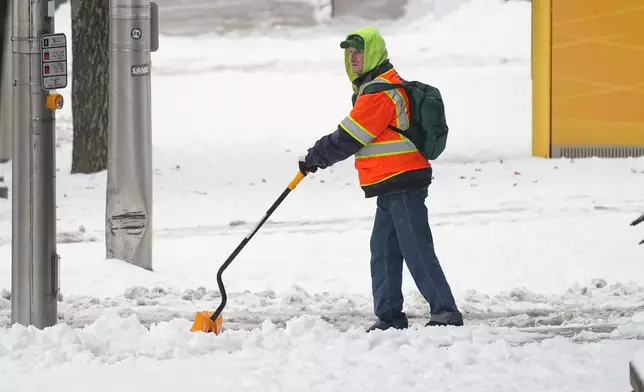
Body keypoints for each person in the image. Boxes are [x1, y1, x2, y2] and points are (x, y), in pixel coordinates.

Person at [298, 26, 463, 331]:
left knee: (416, 248)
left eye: (359, 51)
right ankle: (389, 316)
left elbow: (350, 137)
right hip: (389, 183)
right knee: (384, 250)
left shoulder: (380, 92)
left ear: (373, 52)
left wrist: (316, 155)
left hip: (404, 180)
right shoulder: (374, 87)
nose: (353, 58)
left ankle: (445, 313)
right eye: (349, 53)